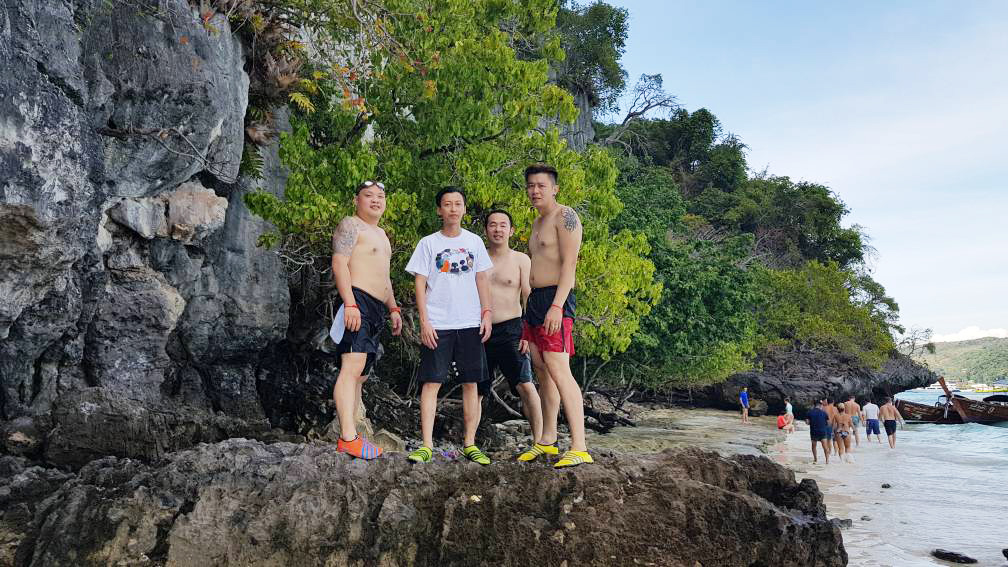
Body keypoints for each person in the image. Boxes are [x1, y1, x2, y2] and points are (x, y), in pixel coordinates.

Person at [405, 187, 494, 465]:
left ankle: (470, 443)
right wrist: (424, 321)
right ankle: (427, 445)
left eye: (458, 204)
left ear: (464, 209)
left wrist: (486, 313)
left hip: (469, 322)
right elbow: (419, 282)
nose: (453, 209)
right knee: (431, 382)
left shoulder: (475, 242)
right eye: (447, 204)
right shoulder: (428, 243)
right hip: (438, 322)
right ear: (439, 210)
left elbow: (481, 279)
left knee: (471, 383)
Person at [521, 163, 592, 468]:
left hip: (555, 300)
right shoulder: (538, 222)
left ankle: (579, 446)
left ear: (555, 188)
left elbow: (569, 266)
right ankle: (547, 440)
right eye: (530, 186)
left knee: (559, 368)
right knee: (542, 370)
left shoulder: (566, 216)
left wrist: (556, 306)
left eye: (541, 185)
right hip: (535, 301)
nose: (535, 191)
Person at [330, 180, 403, 460]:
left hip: (376, 307)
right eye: (368, 195)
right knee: (352, 365)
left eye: (380, 196)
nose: (375, 200)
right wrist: (349, 303)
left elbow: (384, 277)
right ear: (356, 200)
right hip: (357, 300)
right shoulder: (351, 225)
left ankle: (354, 433)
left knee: (361, 373)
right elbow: (339, 263)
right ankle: (347, 437)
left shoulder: (382, 234)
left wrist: (394, 308)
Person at [477, 209, 549, 460]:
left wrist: (528, 333)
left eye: (503, 225)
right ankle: (470, 444)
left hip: (512, 327)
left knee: (525, 385)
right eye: (492, 225)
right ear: (486, 229)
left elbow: (530, 296)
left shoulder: (521, 260)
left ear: (512, 230)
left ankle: (540, 441)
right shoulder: (477, 258)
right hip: (480, 330)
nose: (497, 229)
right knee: (476, 388)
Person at [807, 400, 830, 464]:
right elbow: (828, 423)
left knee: (814, 446)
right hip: (822, 431)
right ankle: (827, 461)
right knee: (825, 446)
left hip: (814, 431)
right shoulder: (824, 413)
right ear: (820, 405)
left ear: (814, 405)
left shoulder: (810, 412)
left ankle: (815, 459)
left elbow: (807, 422)